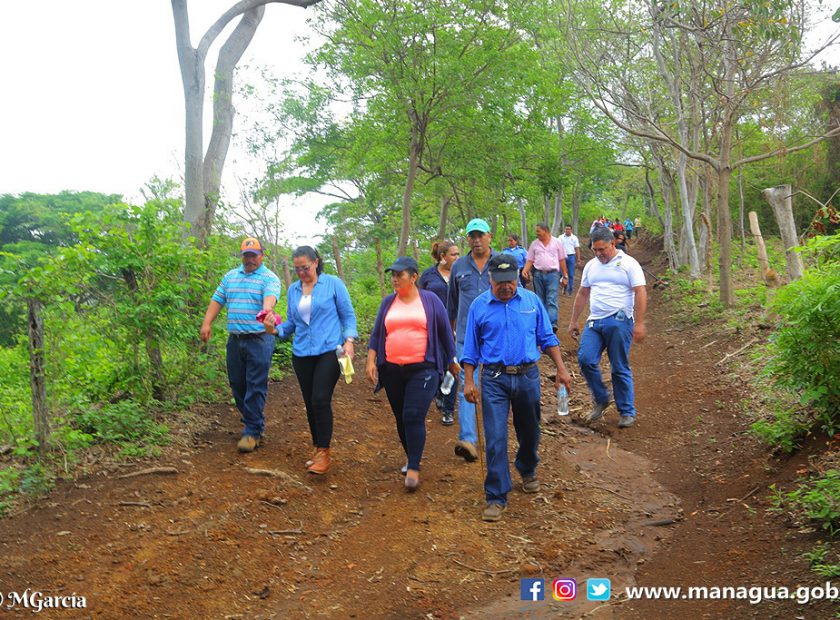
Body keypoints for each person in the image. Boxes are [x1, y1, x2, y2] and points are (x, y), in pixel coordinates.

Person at [461, 254, 572, 522]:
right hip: (494, 379)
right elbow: (470, 349)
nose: (505, 287)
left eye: (510, 281)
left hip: (527, 377)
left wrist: (561, 368)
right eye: (499, 282)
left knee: (530, 431)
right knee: (495, 437)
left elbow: (546, 337)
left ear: (518, 277)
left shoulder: (532, 302)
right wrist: (467, 381)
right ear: (490, 279)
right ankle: (496, 496)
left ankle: (527, 467)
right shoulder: (479, 306)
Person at [262, 246, 358, 475]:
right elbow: (292, 324)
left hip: (329, 349)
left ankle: (324, 453)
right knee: (310, 404)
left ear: (316, 262)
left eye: (305, 267)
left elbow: (348, 315)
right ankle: (318, 449)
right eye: (297, 269)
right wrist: (274, 330)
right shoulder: (294, 290)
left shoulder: (333, 284)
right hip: (302, 353)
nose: (301, 273)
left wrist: (350, 341)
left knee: (320, 399)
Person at [367, 257, 460, 491]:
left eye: (400, 275)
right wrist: (371, 360)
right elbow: (378, 333)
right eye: (393, 275)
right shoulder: (388, 302)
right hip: (392, 369)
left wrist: (451, 361)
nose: (395, 279)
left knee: (412, 415)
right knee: (400, 416)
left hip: (424, 368)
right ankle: (411, 456)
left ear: (414, 277)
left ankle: (414, 467)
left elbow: (445, 333)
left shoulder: (430, 301)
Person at [201, 237, 282, 453]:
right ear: (242, 257)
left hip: (259, 340)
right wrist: (207, 323)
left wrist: (266, 313)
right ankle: (252, 422)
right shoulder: (230, 277)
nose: (250, 260)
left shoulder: (269, 278)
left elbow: (270, 298)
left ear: (261, 256)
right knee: (237, 383)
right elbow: (218, 300)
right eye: (246, 256)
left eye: (254, 255)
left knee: (255, 384)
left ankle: (252, 431)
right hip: (235, 340)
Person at [568, 227, 647, 429]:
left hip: (620, 321)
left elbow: (640, 292)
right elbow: (583, 293)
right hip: (595, 321)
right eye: (595, 250)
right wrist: (574, 320)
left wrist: (639, 323)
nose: (599, 253)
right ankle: (602, 398)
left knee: (619, 366)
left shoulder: (629, 264)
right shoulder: (591, 266)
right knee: (585, 359)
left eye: (602, 249)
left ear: (612, 243)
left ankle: (627, 411)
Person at [448, 218, 497, 463]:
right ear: (467, 239)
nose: (476, 240)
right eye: (472, 236)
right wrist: (449, 337)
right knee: (465, 386)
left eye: (480, 235)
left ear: (490, 236)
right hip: (466, 339)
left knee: (492, 388)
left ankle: (492, 436)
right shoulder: (459, 267)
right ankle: (468, 439)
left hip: (496, 339)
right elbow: (452, 305)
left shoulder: (501, 263)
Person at [418, 240, 461, 426]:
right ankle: (439, 393)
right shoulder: (428, 275)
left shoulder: (461, 274)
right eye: (453, 254)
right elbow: (418, 298)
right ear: (443, 257)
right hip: (432, 328)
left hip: (456, 327)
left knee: (453, 365)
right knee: (436, 364)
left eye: (458, 254)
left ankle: (448, 409)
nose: (457, 258)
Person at [521, 222, 569, 331]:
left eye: (538, 231)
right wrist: (525, 270)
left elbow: (562, 260)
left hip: (552, 274)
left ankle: (552, 324)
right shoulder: (534, 244)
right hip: (538, 274)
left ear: (546, 231)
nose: (536, 233)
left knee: (551, 299)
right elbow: (530, 260)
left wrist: (565, 275)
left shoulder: (557, 242)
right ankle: (541, 323)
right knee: (539, 299)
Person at [559, 225, 580, 296]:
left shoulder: (574, 238)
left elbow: (577, 248)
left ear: (571, 230)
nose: (567, 231)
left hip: (571, 256)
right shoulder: (560, 237)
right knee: (563, 274)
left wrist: (578, 259)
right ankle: (564, 287)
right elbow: (558, 247)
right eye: (566, 229)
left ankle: (570, 290)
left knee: (571, 274)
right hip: (563, 257)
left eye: (569, 229)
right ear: (564, 230)